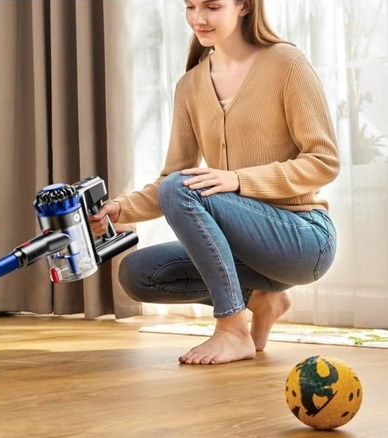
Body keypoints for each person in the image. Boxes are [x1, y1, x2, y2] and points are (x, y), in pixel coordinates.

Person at [89, 0, 339, 365]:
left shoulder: (286, 64)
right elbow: (172, 177)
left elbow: (324, 161)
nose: (198, 19)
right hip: (244, 252)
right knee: (138, 273)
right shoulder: (190, 86)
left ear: (243, 6)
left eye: (211, 6)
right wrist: (122, 208)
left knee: (181, 187)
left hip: (302, 238)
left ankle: (231, 329)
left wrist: (238, 180)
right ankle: (261, 299)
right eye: (190, 6)